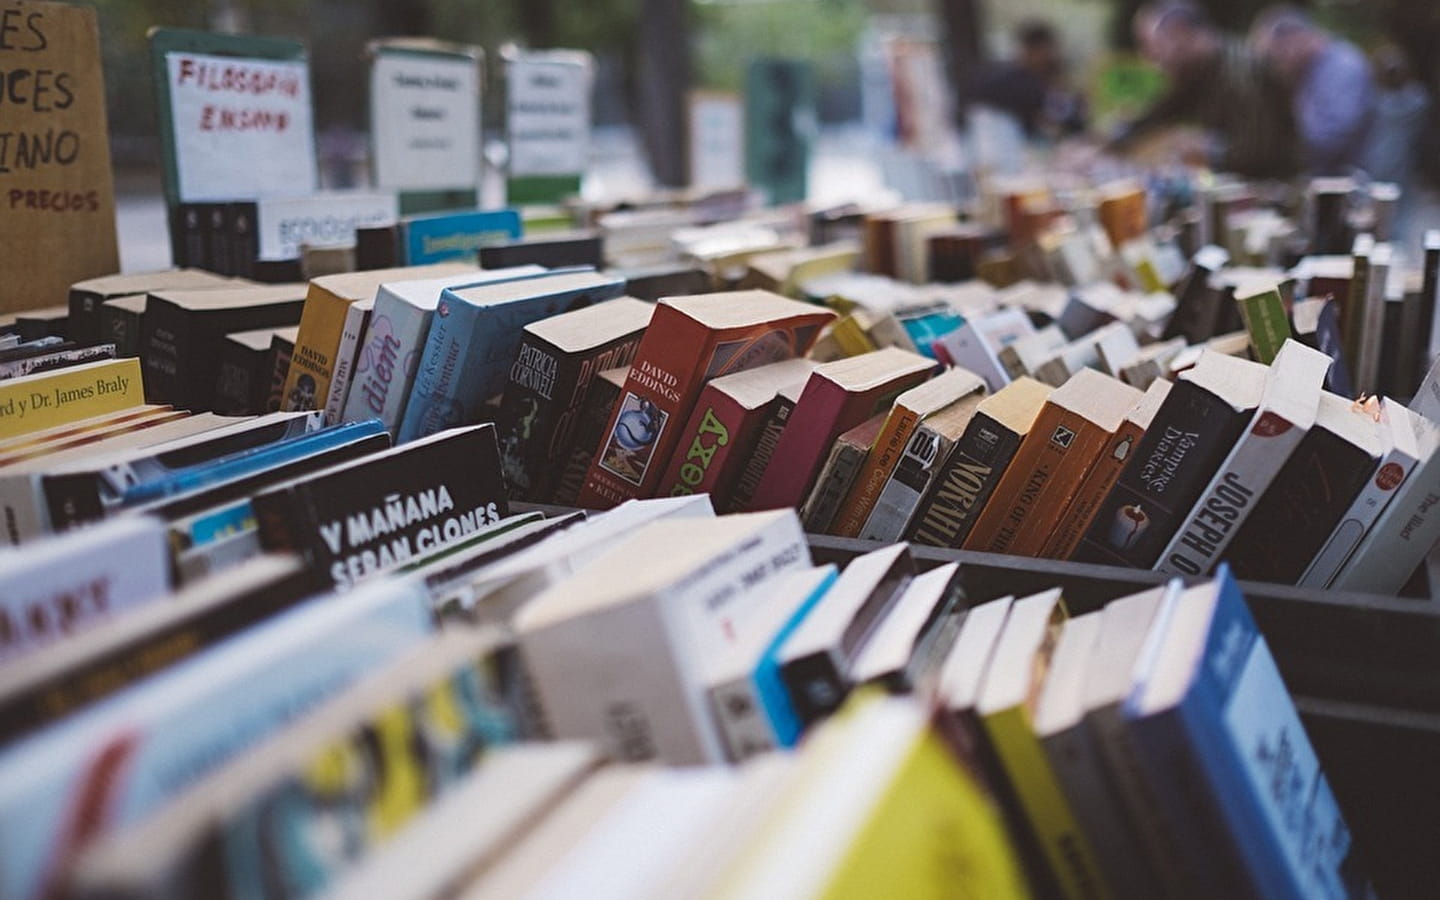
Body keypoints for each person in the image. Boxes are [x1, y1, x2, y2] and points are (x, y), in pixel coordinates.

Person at [1112, 2, 1300, 178]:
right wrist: (1109, 143)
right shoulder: (1194, 71)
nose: (1148, 57)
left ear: (1180, 33)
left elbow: (1258, 152)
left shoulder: (1241, 72)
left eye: (1151, 45)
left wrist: (1205, 147)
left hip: (1275, 196)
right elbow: (1158, 112)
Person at [1250, 6, 1376, 175]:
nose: (1274, 67)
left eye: (1273, 57)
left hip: (1351, 181)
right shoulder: (1309, 70)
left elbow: (1331, 138)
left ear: (1293, 40)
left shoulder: (1343, 67)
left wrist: (1277, 151)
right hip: (1326, 178)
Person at [969, 20, 1086, 141]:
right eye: (1044, 51)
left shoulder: (1040, 77)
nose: (1049, 56)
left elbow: (1064, 113)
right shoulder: (1011, 79)